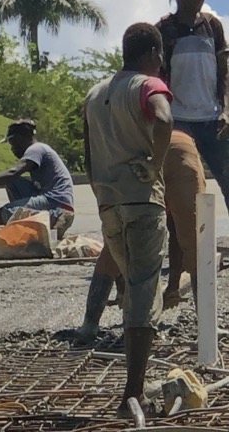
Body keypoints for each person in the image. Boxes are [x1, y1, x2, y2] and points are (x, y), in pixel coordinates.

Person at [84, 22, 173, 418]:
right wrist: (155, 165)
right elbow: (164, 119)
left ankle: (130, 392)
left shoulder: (95, 93)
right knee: (143, 293)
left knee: (131, 287)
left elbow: (87, 154)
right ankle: (132, 397)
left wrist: (101, 191)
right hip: (142, 202)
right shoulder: (147, 86)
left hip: (109, 205)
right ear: (154, 54)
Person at [75, 129, 206, 342]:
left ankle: (89, 325)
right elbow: (179, 235)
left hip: (133, 153)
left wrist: (173, 285)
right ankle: (207, 327)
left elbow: (172, 234)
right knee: (196, 238)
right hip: (171, 149)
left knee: (117, 237)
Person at [156, 0, 229, 211]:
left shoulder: (211, 26)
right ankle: (182, 245)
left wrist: (226, 110)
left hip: (213, 120)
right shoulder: (164, 30)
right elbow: (157, 77)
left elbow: (223, 71)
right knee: (182, 185)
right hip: (178, 123)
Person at [0, 119, 74, 230]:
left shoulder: (36, 149)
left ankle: (55, 217)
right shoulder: (38, 149)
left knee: (0, 215)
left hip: (56, 201)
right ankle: (23, 217)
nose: (12, 148)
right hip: (46, 196)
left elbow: (13, 172)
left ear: (20, 138)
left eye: (12, 142)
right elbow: (12, 177)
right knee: (14, 182)